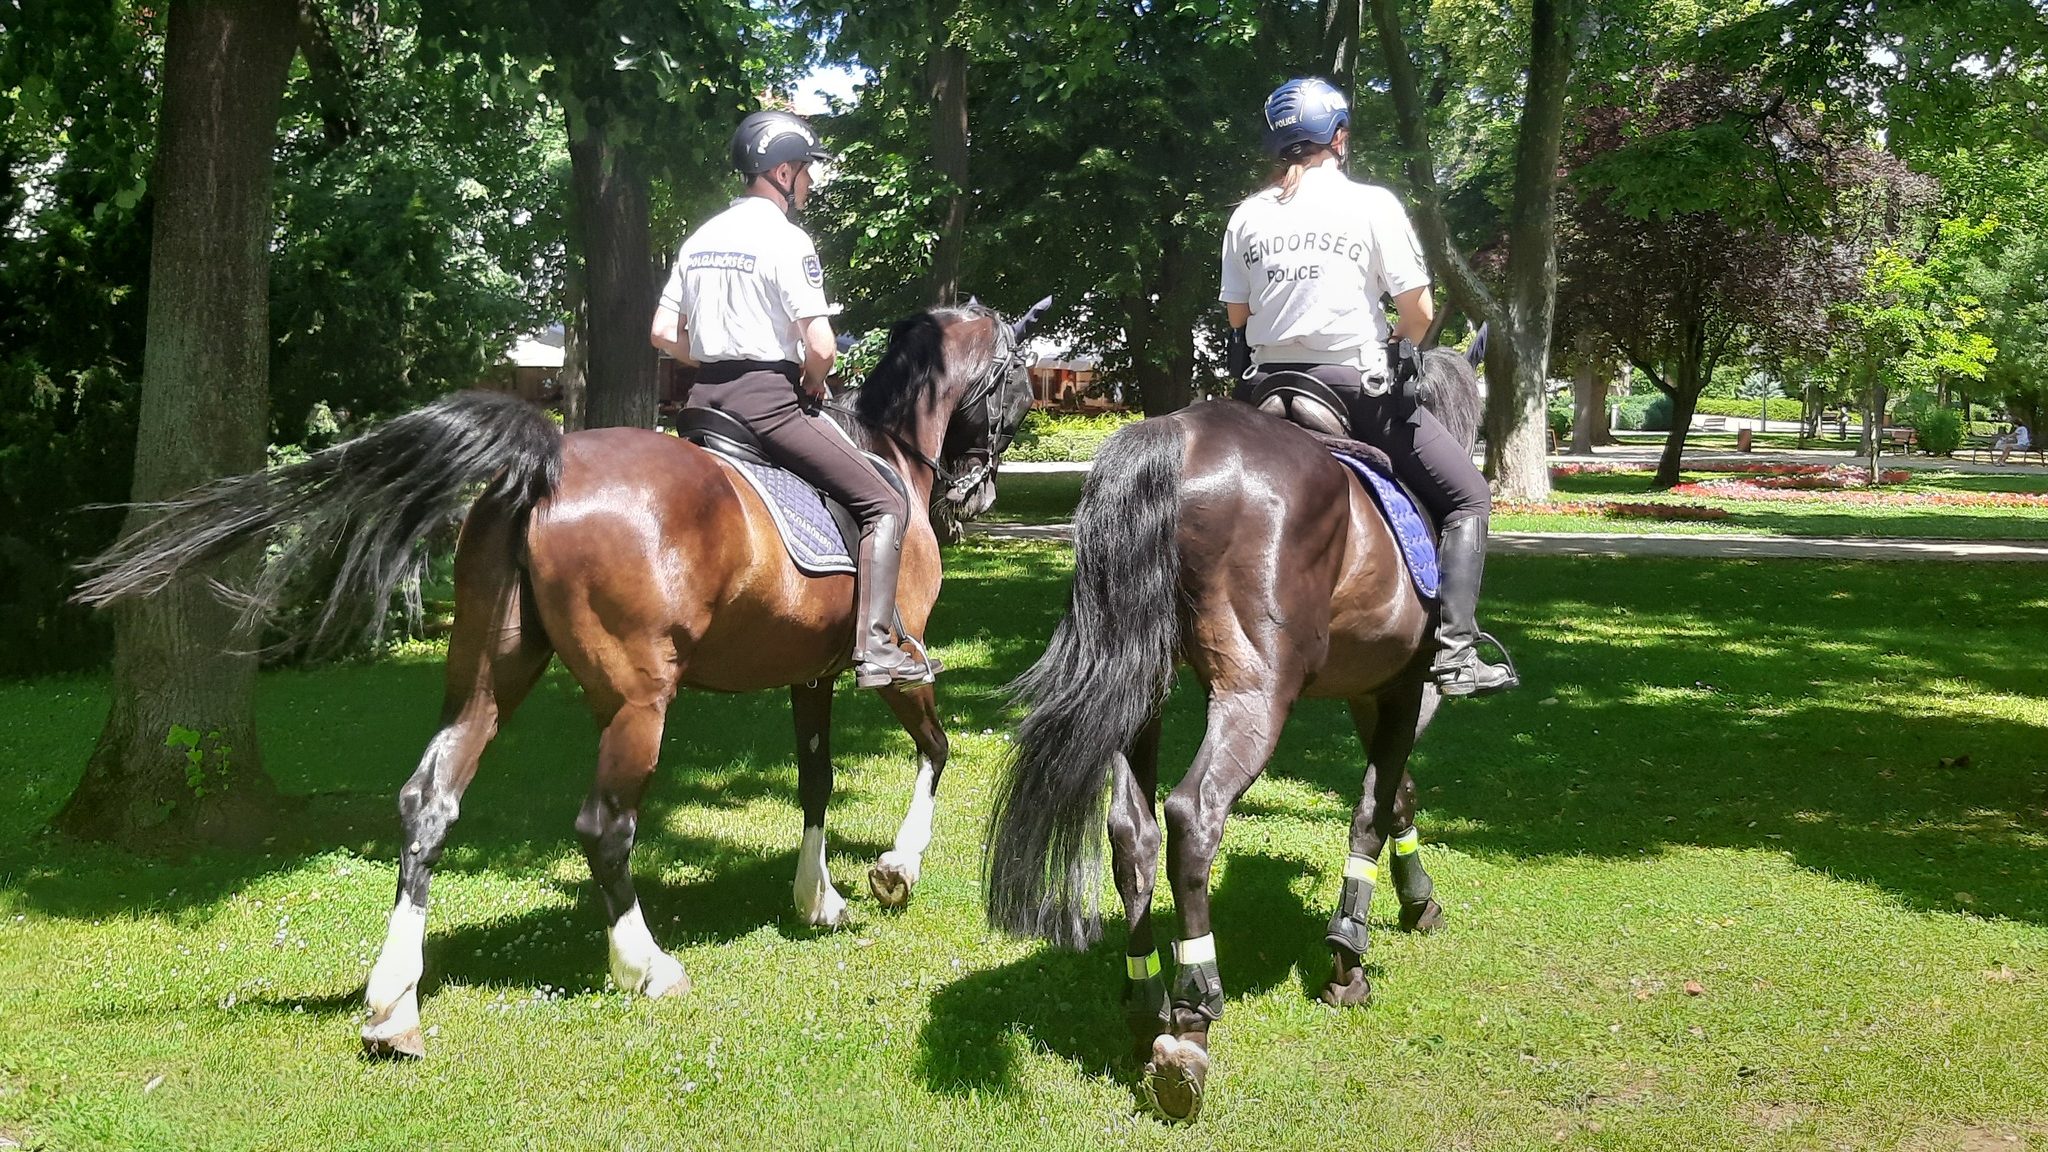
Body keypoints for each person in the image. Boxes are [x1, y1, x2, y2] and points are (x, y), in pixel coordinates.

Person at [1219, 77, 1515, 697]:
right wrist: (1397, 345)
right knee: (1468, 498)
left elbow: (1237, 319)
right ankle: (1456, 653)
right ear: (1340, 139)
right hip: (1352, 389)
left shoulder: (1247, 215)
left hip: (1268, 395)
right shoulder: (1374, 203)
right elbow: (1418, 311)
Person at [649, 109, 930, 689]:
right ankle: (877, 648)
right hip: (767, 404)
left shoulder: (699, 238)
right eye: (805, 172)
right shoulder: (787, 239)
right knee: (885, 500)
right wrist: (810, 379)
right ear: (780, 172)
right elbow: (821, 346)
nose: (808, 184)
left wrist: (716, 357)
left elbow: (661, 333)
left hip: (703, 403)